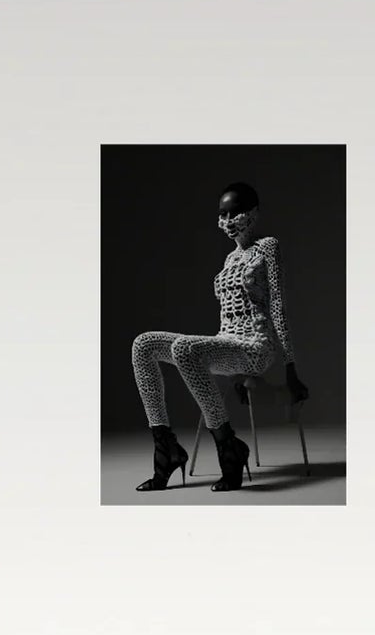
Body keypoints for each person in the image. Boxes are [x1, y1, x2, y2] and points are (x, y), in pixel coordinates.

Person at [130, 181, 310, 492]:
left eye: (236, 212)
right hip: (227, 344)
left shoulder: (267, 247)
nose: (228, 221)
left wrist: (291, 368)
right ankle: (166, 448)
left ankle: (228, 446)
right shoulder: (229, 260)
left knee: (185, 348)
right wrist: (230, 367)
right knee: (143, 343)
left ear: (253, 213)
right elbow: (227, 318)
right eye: (222, 214)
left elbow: (278, 307)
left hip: (256, 347)